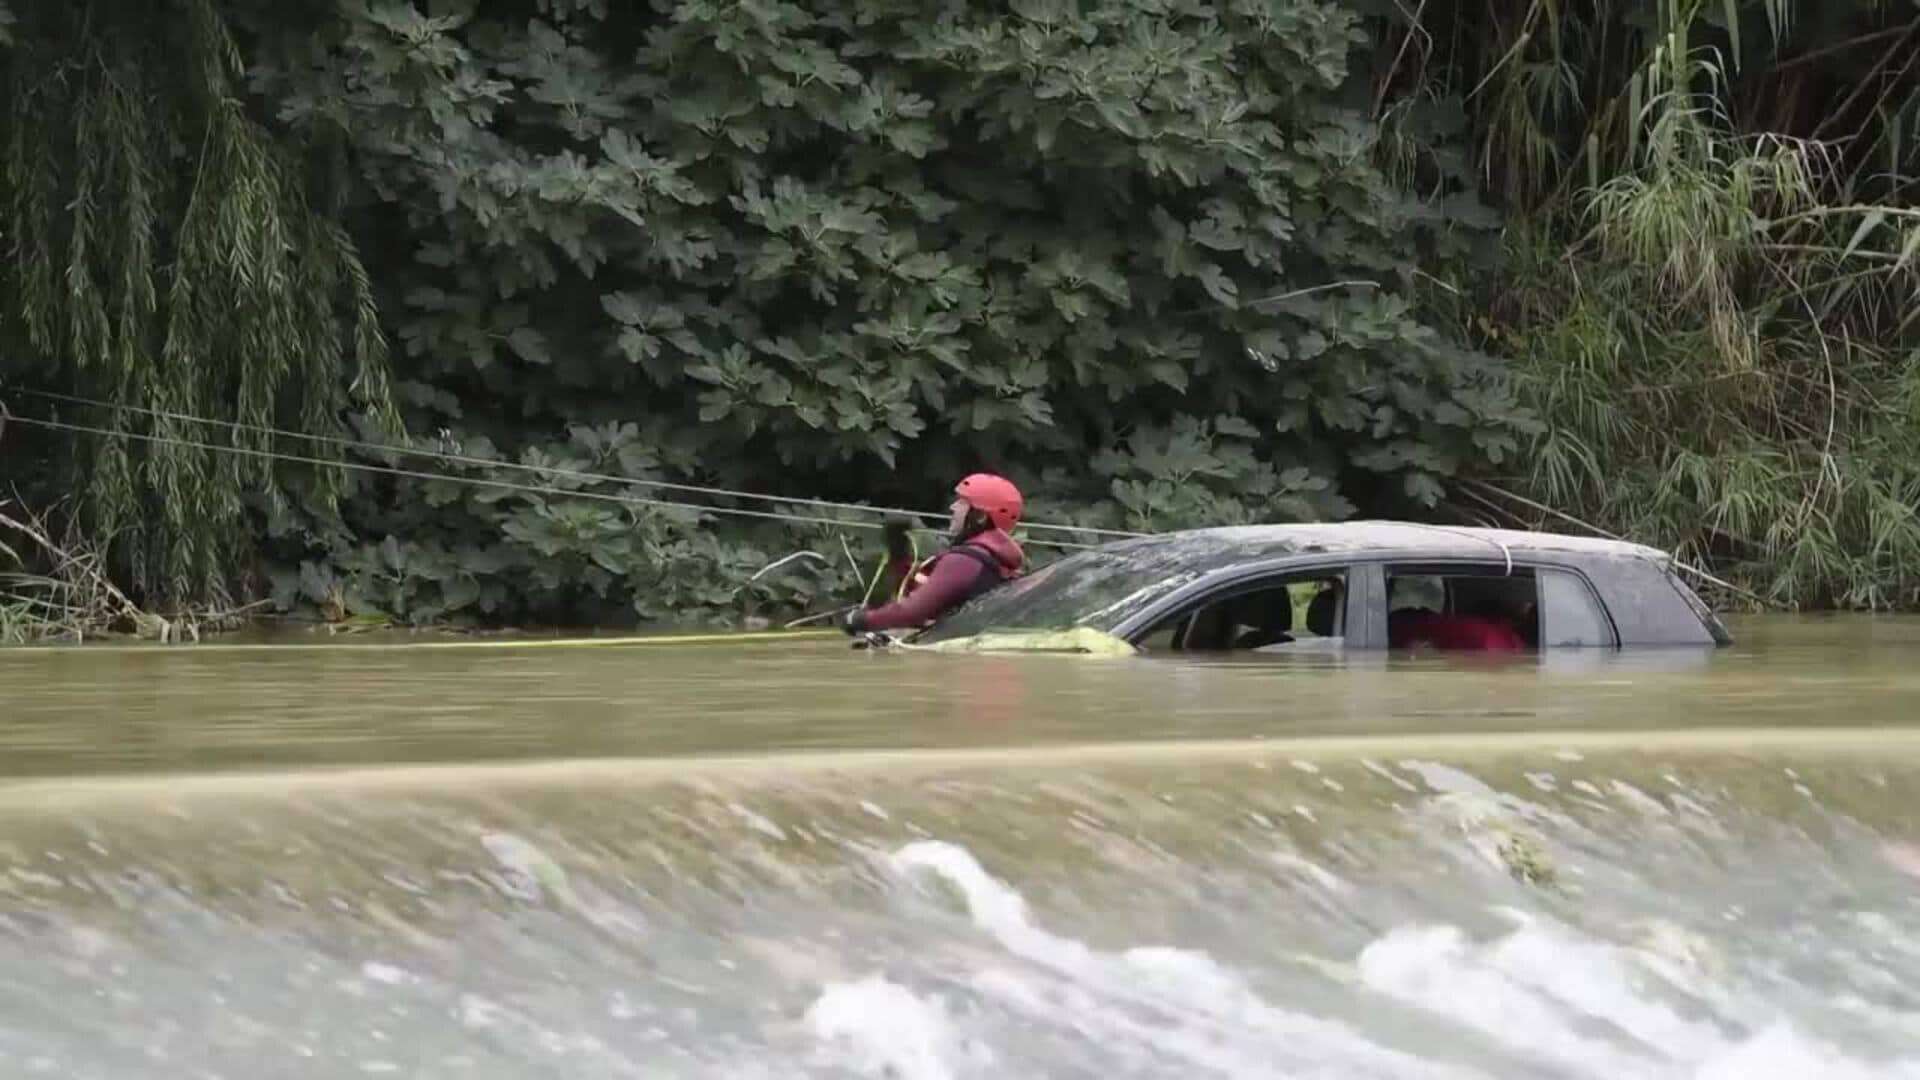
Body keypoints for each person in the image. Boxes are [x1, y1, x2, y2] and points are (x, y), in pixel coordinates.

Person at [841, 473, 1026, 636]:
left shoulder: (964, 561)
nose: (953, 507)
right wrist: (899, 554)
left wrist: (861, 620)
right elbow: (923, 592)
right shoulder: (994, 559)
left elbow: (912, 612)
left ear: (980, 516)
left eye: (962, 503)